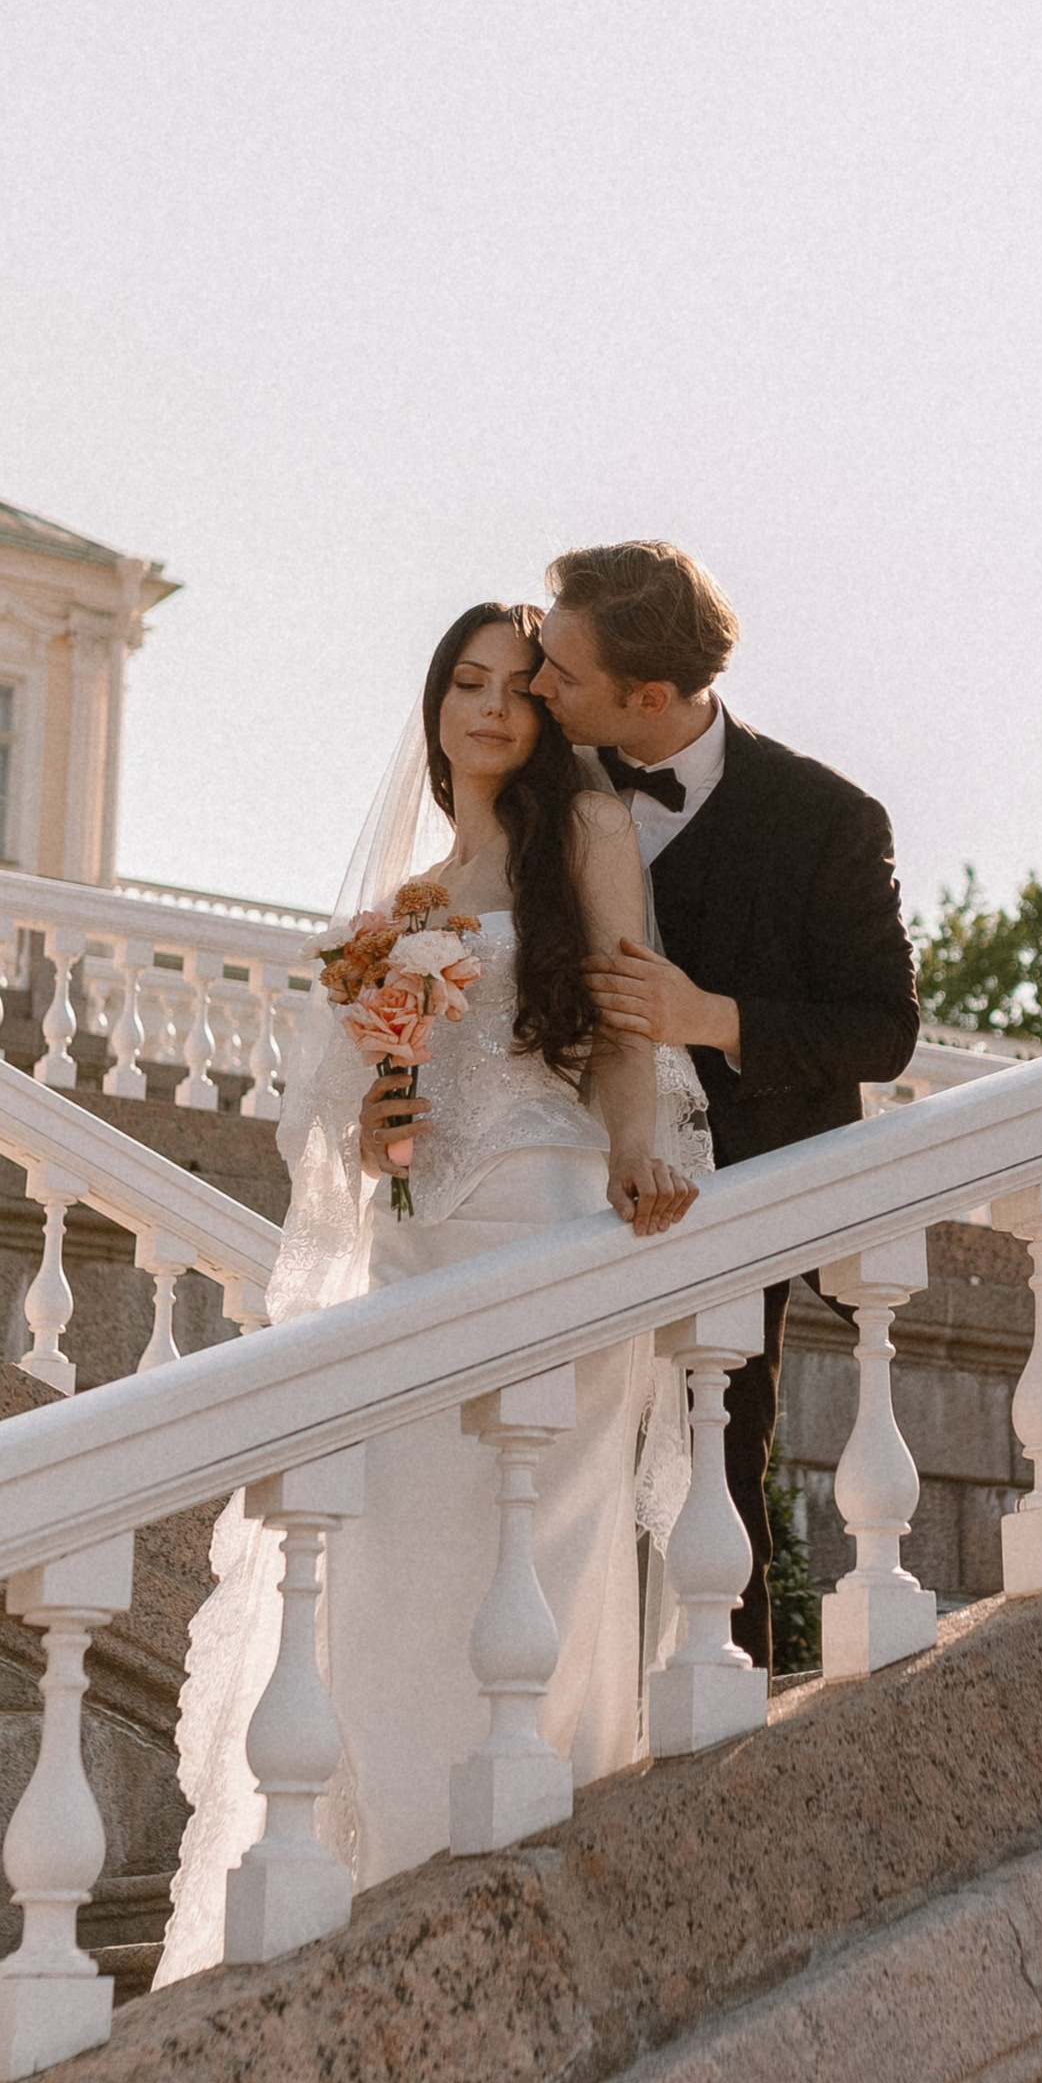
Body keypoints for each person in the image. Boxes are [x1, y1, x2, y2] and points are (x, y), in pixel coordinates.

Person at [157, 602, 704, 1978]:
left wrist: (638, 1156)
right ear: (437, 704)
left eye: (521, 688)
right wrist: (388, 1102)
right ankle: (397, 1863)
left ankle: (537, 1843)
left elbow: (626, 1029)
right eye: (467, 683)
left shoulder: (585, 838)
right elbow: (367, 1131)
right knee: (394, 1565)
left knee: (535, 1554)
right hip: (417, 1254)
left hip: (543, 1229)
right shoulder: (412, 905)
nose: (491, 708)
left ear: (550, 715)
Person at [529, 540, 921, 1663]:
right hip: (551, 1174)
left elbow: (880, 1029)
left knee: (712, 1476)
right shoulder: (533, 780)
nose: (535, 685)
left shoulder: (828, 822)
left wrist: (710, 1018)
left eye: (562, 670)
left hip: (732, 1206)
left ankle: (719, 1723)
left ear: (646, 697)